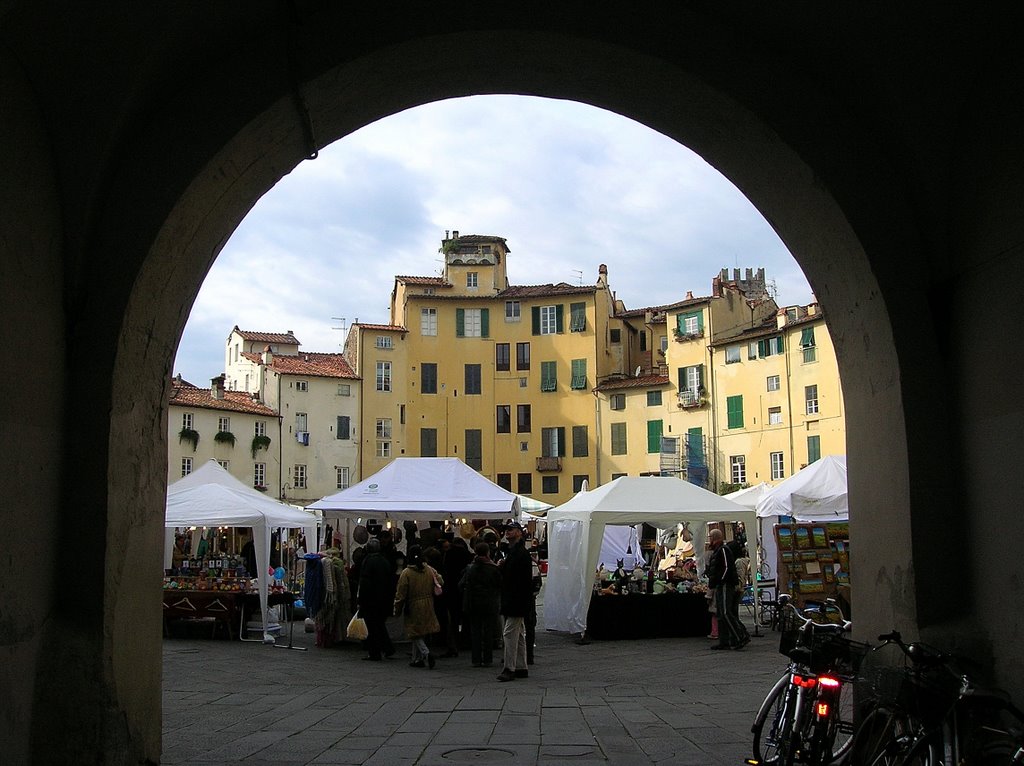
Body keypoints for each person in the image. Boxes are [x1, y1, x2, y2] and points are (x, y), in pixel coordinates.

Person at [394, 545, 442, 669]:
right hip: (428, 602)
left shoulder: (407, 573)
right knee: (421, 631)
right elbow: (440, 581)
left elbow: (401, 593)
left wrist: (397, 608)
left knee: (414, 632)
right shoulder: (429, 569)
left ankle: (425, 653)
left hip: (413, 604)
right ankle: (417, 659)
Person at [496, 521, 533, 681]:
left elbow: (519, 580)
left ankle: (509, 668)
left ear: (519, 532)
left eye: (511, 530)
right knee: (518, 634)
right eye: (507, 530)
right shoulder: (515, 552)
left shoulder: (520, 553)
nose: (507, 532)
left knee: (509, 633)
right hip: (516, 600)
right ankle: (521, 666)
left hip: (516, 600)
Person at [706, 528, 750, 650]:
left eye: (710, 537)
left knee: (725, 612)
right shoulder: (718, 551)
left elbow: (726, 567)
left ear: (715, 538)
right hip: (720, 584)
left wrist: (720, 580)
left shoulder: (723, 550)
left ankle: (740, 636)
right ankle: (724, 641)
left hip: (726, 584)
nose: (709, 540)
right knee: (721, 613)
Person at [460, 542, 502, 667]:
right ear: (488, 552)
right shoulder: (493, 568)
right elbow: (500, 584)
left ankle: (476, 658)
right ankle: (487, 658)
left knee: (476, 632)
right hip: (489, 603)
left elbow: (461, 585)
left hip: (473, 603)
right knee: (488, 631)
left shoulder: (470, 568)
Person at [357, 538, 395, 661]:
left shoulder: (368, 562)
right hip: (384, 599)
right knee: (379, 624)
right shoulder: (385, 561)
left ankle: (375, 652)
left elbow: (365, 583)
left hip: (371, 600)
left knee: (372, 626)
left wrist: (361, 600)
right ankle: (387, 648)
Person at [442, 537, 473, 657]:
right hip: (464, 591)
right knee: (466, 618)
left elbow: (446, 572)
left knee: (453, 620)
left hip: (451, 590)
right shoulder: (467, 555)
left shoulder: (449, 555)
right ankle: (466, 641)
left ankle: (453, 645)